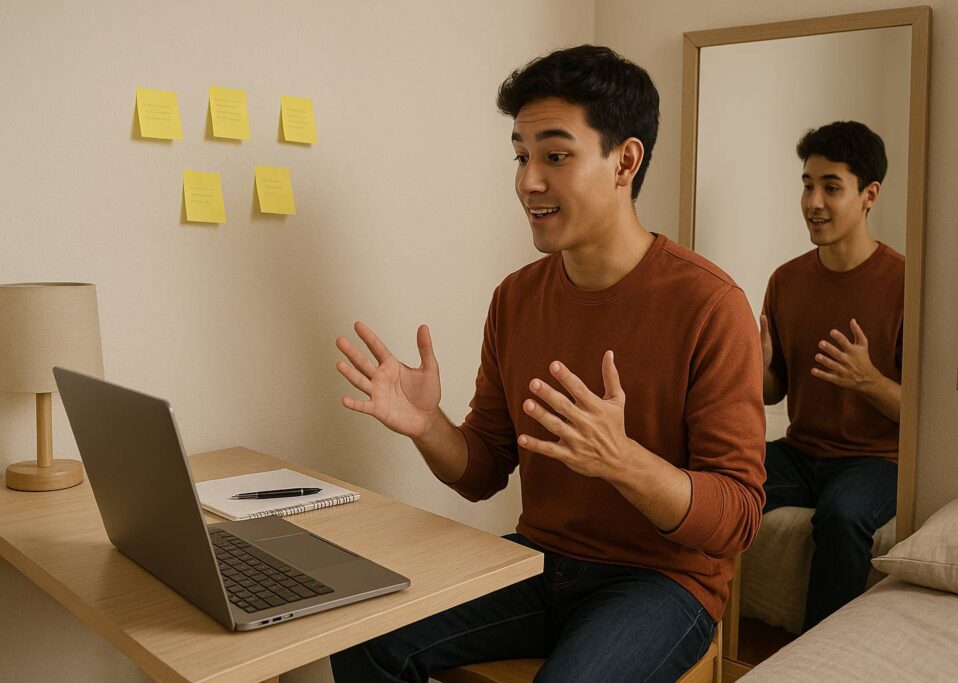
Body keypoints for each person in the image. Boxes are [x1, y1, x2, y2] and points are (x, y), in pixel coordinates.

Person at [330, 45, 765, 683]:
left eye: (555, 156)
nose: (528, 181)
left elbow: (738, 518)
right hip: (540, 561)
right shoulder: (516, 298)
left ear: (625, 161)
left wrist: (623, 461)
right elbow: (482, 469)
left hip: (663, 581)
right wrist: (428, 425)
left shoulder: (711, 305)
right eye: (521, 156)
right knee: (363, 638)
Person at [760, 120, 904, 631]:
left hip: (876, 460)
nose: (813, 202)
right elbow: (773, 389)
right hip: (801, 452)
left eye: (831, 187)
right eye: (807, 185)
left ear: (869, 195)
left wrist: (868, 380)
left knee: (842, 515)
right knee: (716, 476)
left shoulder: (905, 282)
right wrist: (753, 369)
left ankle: (819, 655)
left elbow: (924, 415)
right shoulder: (786, 280)